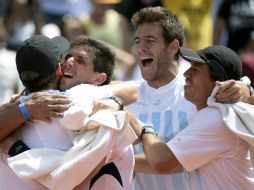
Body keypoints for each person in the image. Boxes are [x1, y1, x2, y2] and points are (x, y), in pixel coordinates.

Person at [127, 6, 253, 190]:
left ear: (218, 82)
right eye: (137, 41)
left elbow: (162, 161)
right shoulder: (216, 113)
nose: (187, 74)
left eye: (196, 70)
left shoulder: (218, 118)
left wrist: (143, 129)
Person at [0, 35, 137, 190]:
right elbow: (135, 89)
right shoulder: (77, 103)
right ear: (58, 69)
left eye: (80, 60)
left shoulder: (16, 107)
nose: (69, 62)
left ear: (98, 79)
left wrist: (15, 147)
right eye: (67, 57)